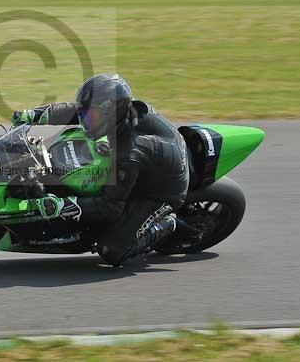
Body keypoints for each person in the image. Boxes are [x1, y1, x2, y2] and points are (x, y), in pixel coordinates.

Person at [11, 73, 192, 266]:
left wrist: (62, 206)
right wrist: (33, 115)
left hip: (162, 191)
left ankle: (168, 224)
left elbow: (110, 207)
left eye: (91, 116)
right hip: (154, 158)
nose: (84, 119)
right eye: (86, 114)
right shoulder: (119, 115)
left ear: (110, 114)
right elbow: (76, 110)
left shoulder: (128, 154)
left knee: (112, 250)